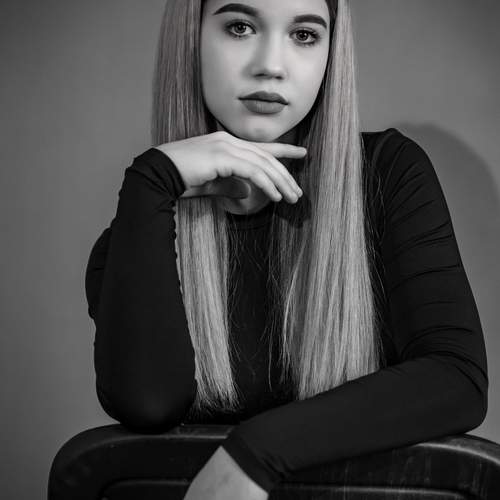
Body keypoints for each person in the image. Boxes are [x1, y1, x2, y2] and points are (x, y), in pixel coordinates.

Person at [84, 0, 489, 499]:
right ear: (190, 39)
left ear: (330, 54)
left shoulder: (387, 175)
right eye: (239, 27)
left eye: (304, 35)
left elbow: (456, 379)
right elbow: (148, 404)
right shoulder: (137, 234)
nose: (271, 65)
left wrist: (254, 455)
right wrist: (152, 180)